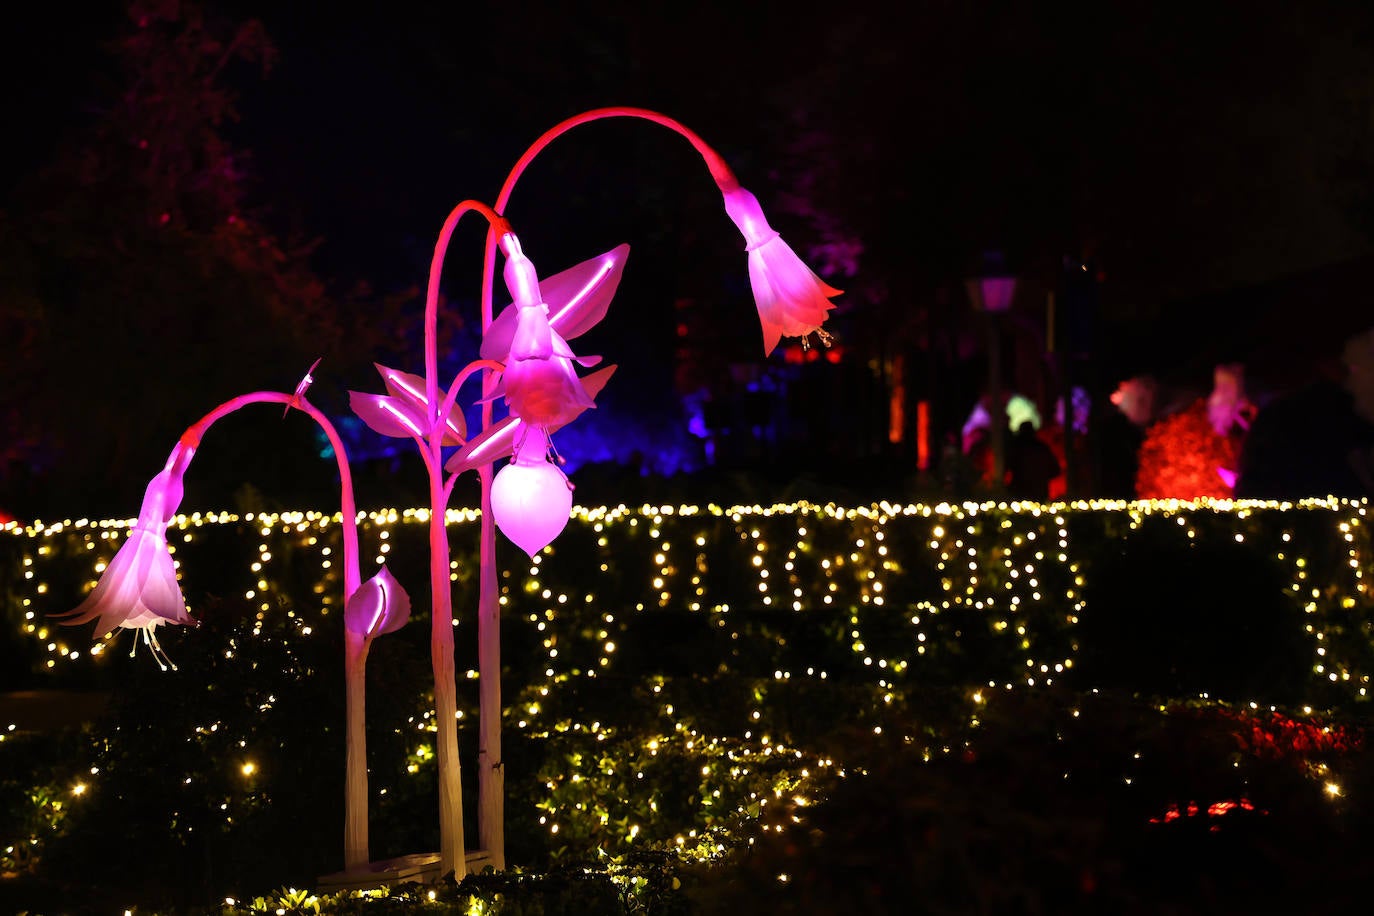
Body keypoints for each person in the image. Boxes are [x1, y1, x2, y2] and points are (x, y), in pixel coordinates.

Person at [1005, 420, 1061, 502]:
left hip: (1020, 491)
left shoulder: (1016, 448)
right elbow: (1055, 470)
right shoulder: (1042, 448)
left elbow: (1008, 467)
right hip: (1039, 492)